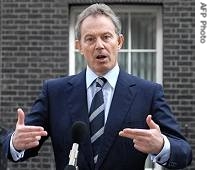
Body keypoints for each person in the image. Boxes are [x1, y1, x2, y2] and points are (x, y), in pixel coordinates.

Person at [3, 3, 192, 170]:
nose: (99, 45)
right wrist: (15, 143)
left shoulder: (148, 93)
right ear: (79, 46)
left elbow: (184, 153)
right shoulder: (54, 92)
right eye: (90, 39)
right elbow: (21, 144)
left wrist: (161, 145)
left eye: (106, 37)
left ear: (119, 42)